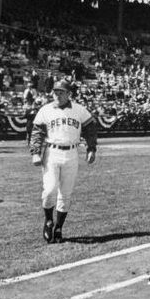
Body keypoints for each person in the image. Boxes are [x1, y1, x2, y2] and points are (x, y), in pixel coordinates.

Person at [30, 80, 97, 244]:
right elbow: (37, 133)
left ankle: (59, 227)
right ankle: (48, 221)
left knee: (65, 194)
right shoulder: (45, 110)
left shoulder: (79, 110)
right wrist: (35, 153)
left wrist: (91, 149)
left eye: (61, 92)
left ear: (69, 94)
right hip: (52, 152)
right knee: (49, 190)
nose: (57, 95)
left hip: (72, 152)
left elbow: (90, 129)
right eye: (55, 92)